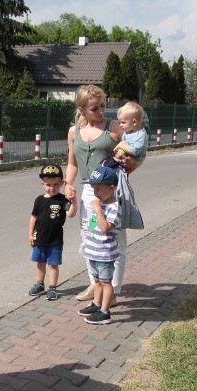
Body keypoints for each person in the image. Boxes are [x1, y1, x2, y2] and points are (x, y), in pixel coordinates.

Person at [65, 85, 143, 305]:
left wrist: (131, 163)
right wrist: (67, 184)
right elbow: (72, 163)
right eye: (95, 108)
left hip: (112, 191)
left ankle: (113, 291)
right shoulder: (74, 132)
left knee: (115, 240)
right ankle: (95, 284)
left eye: (103, 106)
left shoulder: (115, 127)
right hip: (89, 190)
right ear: (82, 109)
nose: (101, 111)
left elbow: (137, 155)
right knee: (90, 238)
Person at [76, 166, 122, 325]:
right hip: (93, 252)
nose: (95, 193)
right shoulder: (100, 204)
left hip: (105, 254)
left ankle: (105, 312)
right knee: (96, 281)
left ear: (111, 188)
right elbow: (93, 226)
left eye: (99, 189)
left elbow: (104, 228)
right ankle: (96, 305)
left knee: (105, 282)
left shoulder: (113, 207)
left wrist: (97, 209)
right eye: (93, 189)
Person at [28, 164, 77, 301]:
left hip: (55, 240)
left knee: (53, 264)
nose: (52, 188)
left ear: (62, 183)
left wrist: (74, 201)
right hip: (40, 239)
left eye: (56, 184)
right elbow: (33, 218)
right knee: (40, 262)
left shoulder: (62, 200)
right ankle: (39, 284)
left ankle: (52, 287)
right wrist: (30, 234)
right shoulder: (39, 200)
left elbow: (71, 214)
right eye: (48, 184)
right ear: (42, 183)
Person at [111, 102, 148, 172]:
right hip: (126, 155)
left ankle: (110, 166)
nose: (120, 125)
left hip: (133, 160)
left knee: (117, 157)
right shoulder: (129, 130)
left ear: (134, 122)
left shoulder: (140, 135)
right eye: (119, 122)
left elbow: (134, 151)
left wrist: (120, 145)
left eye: (123, 122)